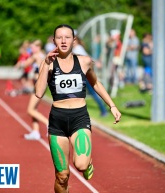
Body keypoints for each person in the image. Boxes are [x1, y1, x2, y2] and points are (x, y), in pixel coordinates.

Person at [35, 24, 121, 193]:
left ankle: (88, 162)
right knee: (62, 175)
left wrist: (112, 105)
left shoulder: (84, 61)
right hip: (57, 121)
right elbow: (38, 92)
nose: (63, 40)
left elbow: (95, 83)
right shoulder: (48, 64)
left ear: (74, 40)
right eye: (59, 37)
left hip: (79, 118)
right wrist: (45, 64)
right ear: (54, 41)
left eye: (67, 37)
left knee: (80, 165)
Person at [17, 40, 48, 140]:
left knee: (30, 110)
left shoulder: (35, 56)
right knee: (34, 109)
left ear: (38, 47)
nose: (31, 49)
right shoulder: (42, 55)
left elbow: (25, 64)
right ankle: (35, 131)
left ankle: (49, 124)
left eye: (32, 47)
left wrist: (22, 57)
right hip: (40, 84)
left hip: (39, 85)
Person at [73, 36, 108, 117]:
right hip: (82, 74)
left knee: (93, 92)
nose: (72, 42)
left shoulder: (77, 49)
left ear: (77, 41)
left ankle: (103, 110)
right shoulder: (77, 48)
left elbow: (86, 59)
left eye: (74, 40)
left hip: (84, 74)